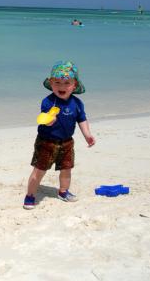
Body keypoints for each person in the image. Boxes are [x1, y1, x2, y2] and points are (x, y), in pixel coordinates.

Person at [23, 61, 95, 209]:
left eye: (66, 83)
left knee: (66, 168)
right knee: (39, 170)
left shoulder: (77, 103)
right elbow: (44, 118)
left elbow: (82, 119)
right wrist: (49, 121)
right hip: (46, 142)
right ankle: (30, 195)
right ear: (51, 83)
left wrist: (87, 134)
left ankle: (63, 191)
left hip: (67, 142)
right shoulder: (48, 101)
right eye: (57, 83)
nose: (61, 87)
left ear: (74, 85)